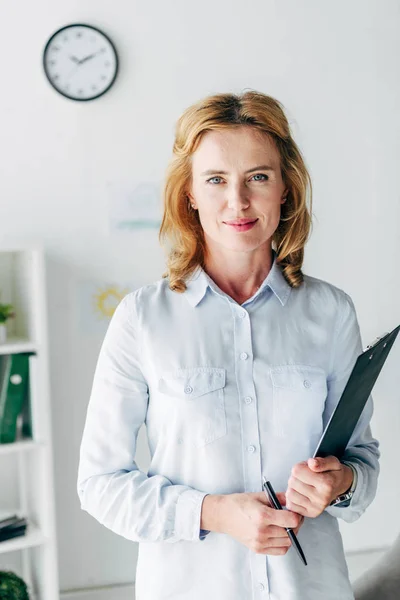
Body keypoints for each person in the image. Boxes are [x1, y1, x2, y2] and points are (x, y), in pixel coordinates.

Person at [77, 90, 380, 600]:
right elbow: (100, 484)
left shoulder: (331, 313)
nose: (237, 202)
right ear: (190, 193)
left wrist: (340, 482)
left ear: (286, 188)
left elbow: (363, 462)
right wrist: (213, 513)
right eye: (216, 179)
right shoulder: (141, 319)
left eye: (258, 177)